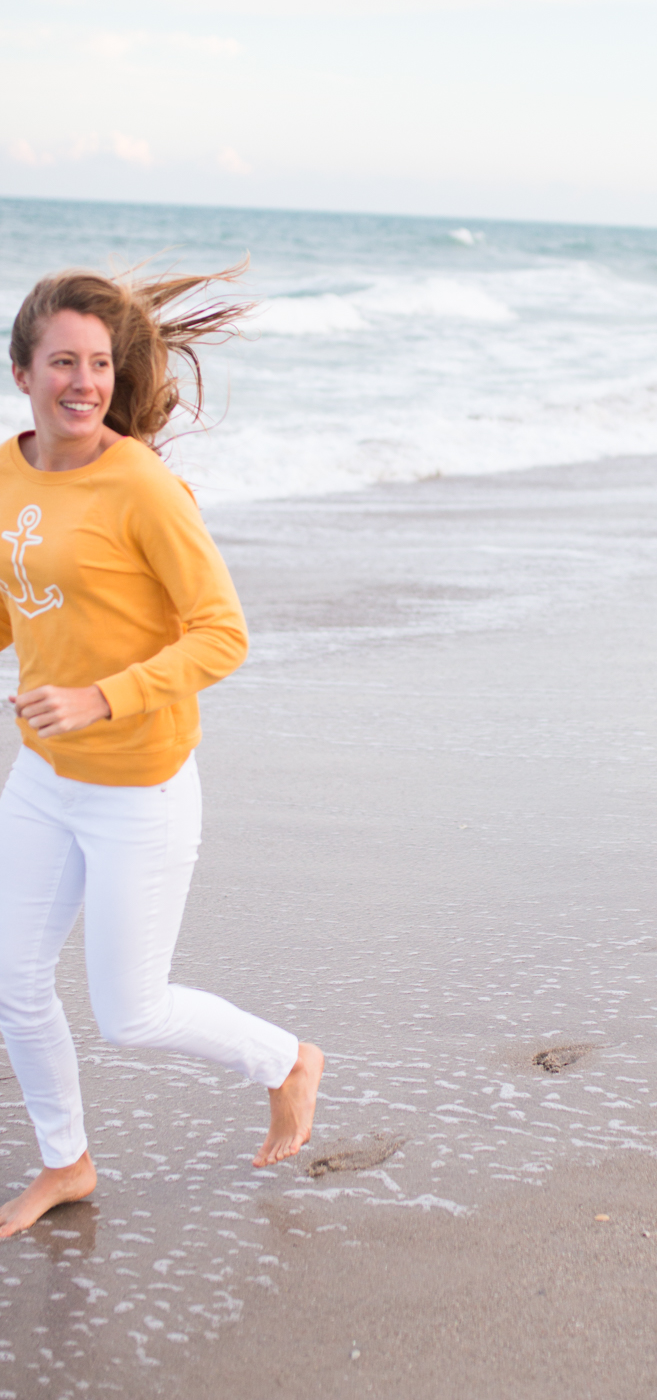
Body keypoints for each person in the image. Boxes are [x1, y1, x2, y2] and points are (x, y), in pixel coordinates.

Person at [0, 266, 324, 1239]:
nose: (84, 382)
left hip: (139, 786)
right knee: (13, 981)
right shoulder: (5, 471)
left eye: (97, 364)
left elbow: (223, 634)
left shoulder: (142, 485)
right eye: (64, 362)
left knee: (129, 1012)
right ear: (23, 371)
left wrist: (101, 696)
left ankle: (286, 1061)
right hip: (42, 779)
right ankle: (69, 1163)